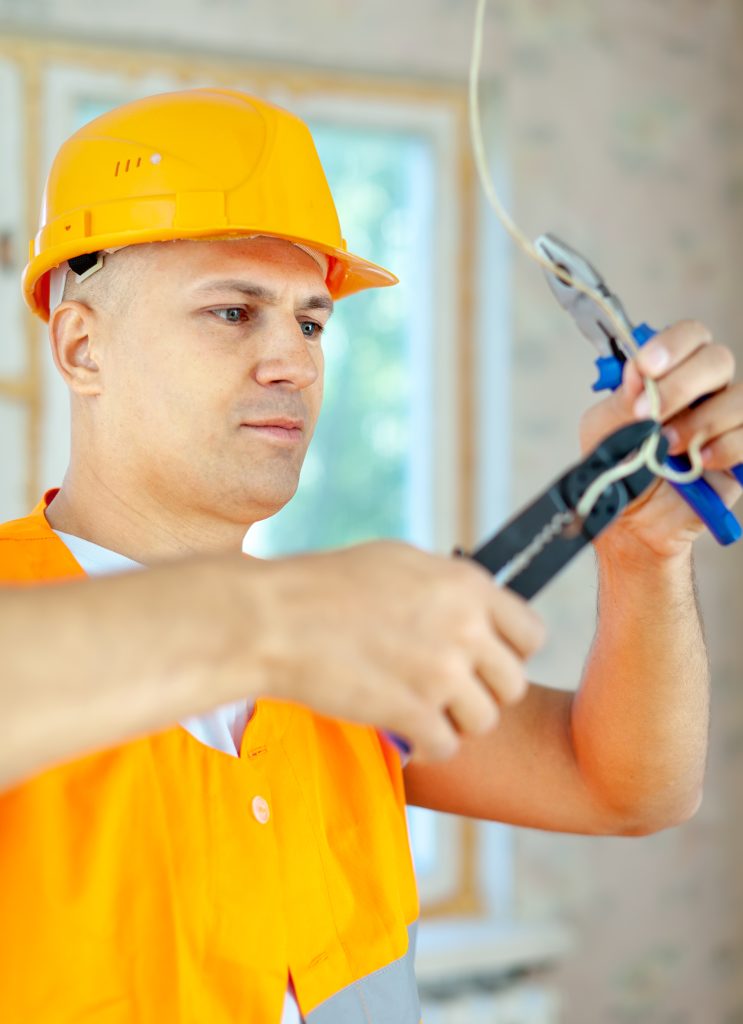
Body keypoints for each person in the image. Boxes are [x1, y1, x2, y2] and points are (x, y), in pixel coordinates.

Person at [0, 87, 740, 1023]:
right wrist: (283, 622)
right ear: (79, 346)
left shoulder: (336, 658)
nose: (295, 364)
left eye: (311, 322)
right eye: (233, 312)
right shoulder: (295, 632)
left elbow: (625, 785)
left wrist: (641, 553)